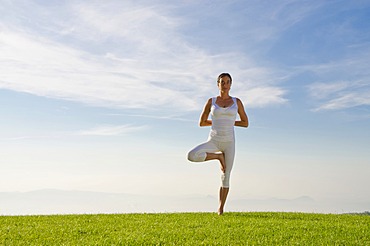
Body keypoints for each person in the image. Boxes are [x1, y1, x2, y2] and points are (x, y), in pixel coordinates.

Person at [187, 73, 249, 215]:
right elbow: (202, 122)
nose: (225, 85)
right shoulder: (211, 101)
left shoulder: (236, 102)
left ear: (231, 84)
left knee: (226, 175)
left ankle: (220, 209)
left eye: (227, 82)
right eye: (222, 82)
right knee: (191, 155)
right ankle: (217, 157)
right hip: (214, 141)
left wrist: (230, 122)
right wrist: (215, 122)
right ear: (218, 84)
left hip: (229, 143)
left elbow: (245, 123)